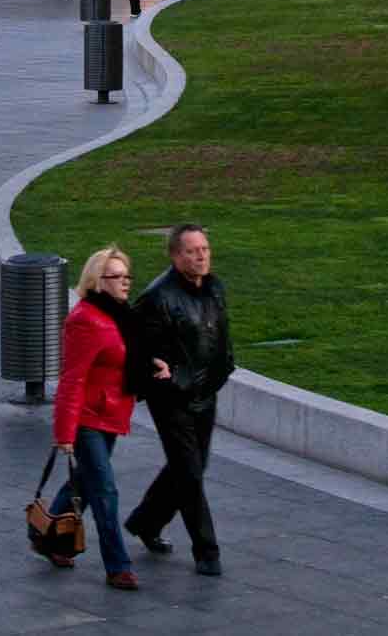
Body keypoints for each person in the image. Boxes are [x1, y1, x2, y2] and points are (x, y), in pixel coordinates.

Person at [43, 247, 170, 590]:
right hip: (87, 419)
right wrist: (65, 434)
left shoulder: (118, 314)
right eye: (117, 276)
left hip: (110, 413)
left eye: (127, 275)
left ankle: (49, 536)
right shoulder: (85, 320)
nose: (126, 282)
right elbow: (72, 379)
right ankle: (118, 566)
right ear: (97, 281)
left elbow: (125, 354)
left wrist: (152, 364)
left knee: (84, 483)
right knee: (105, 491)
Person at [125, 223, 234, 577]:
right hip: (171, 398)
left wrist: (222, 368)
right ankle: (207, 551)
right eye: (192, 250)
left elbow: (218, 335)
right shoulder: (158, 297)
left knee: (192, 466)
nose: (201, 256)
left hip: (205, 391)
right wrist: (158, 370)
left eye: (204, 248)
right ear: (175, 256)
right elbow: (135, 344)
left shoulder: (214, 287)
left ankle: (146, 521)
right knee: (189, 472)